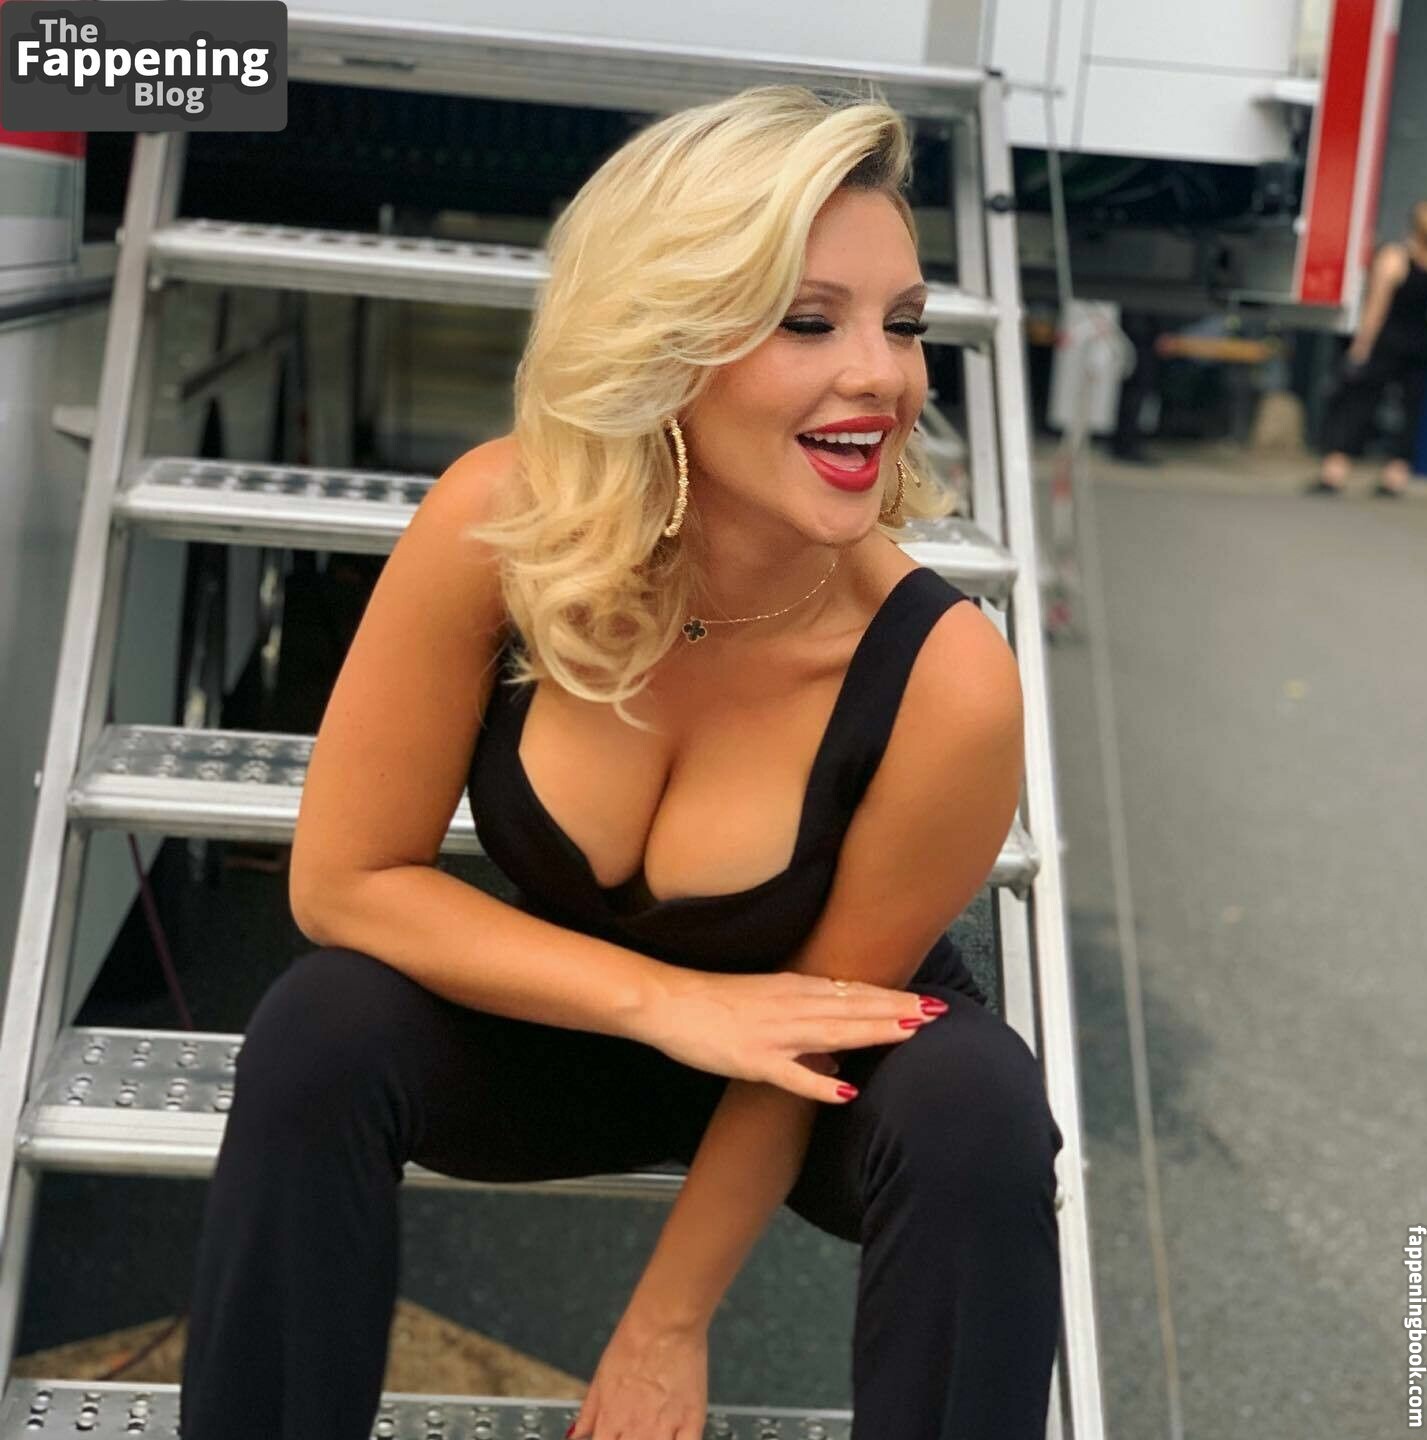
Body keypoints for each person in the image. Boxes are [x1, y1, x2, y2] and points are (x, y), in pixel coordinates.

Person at [179, 84, 1064, 1440]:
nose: (883, 377)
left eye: (904, 323)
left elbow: (817, 1023)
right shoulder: (500, 525)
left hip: (818, 1073)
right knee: (321, 1027)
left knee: (980, 1106)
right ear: (669, 337)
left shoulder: (945, 676)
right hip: (584, 1031)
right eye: (808, 320)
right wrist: (666, 1001)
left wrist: (666, 1325)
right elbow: (346, 881)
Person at [1309, 199, 1427, 498]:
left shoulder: (1394, 258)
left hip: (1387, 342)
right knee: (1411, 409)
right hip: (1421, 343)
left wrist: (1361, 345)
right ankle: (1396, 476)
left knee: (1358, 403)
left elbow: (1376, 307)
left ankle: (1335, 470)